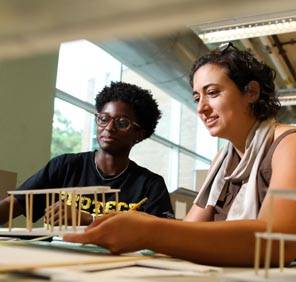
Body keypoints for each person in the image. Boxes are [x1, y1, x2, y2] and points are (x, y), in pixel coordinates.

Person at [64, 43, 296, 266]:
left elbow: (279, 243)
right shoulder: (222, 161)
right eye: (197, 97)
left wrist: (149, 229)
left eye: (213, 93)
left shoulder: (291, 144)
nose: (201, 108)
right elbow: (189, 231)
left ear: (251, 92)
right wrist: (117, 225)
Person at [0, 81, 174, 225]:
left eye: (122, 123)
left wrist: (89, 219)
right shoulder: (65, 167)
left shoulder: (150, 185)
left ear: (139, 134)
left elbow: (164, 233)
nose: (109, 127)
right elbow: (13, 205)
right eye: (104, 119)